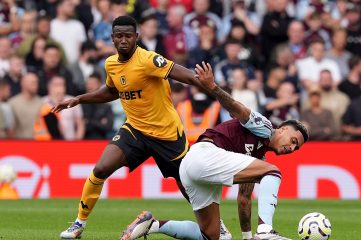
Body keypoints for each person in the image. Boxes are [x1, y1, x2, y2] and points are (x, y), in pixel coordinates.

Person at [55, 15, 230, 239]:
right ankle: (78, 224)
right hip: (135, 130)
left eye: (128, 35)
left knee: (187, 184)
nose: (124, 40)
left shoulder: (148, 60)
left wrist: (206, 83)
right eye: (119, 36)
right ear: (112, 39)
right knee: (100, 169)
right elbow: (111, 91)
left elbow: (181, 73)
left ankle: (218, 223)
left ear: (136, 37)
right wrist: (80, 98)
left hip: (167, 134)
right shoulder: (111, 64)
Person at [120, 62, 308, 240]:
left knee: (215, 236)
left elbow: (244, 199)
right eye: (293, 140)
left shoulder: (259, 157)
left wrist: (247, 236)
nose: (291, 148)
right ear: (282, 129)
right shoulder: (266, 127)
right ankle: (266, 231)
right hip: (205, 154)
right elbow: (237, 108)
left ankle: (152, 225)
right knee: (274, 172)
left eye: (296, 147)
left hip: (192, 167)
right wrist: (213, 87)